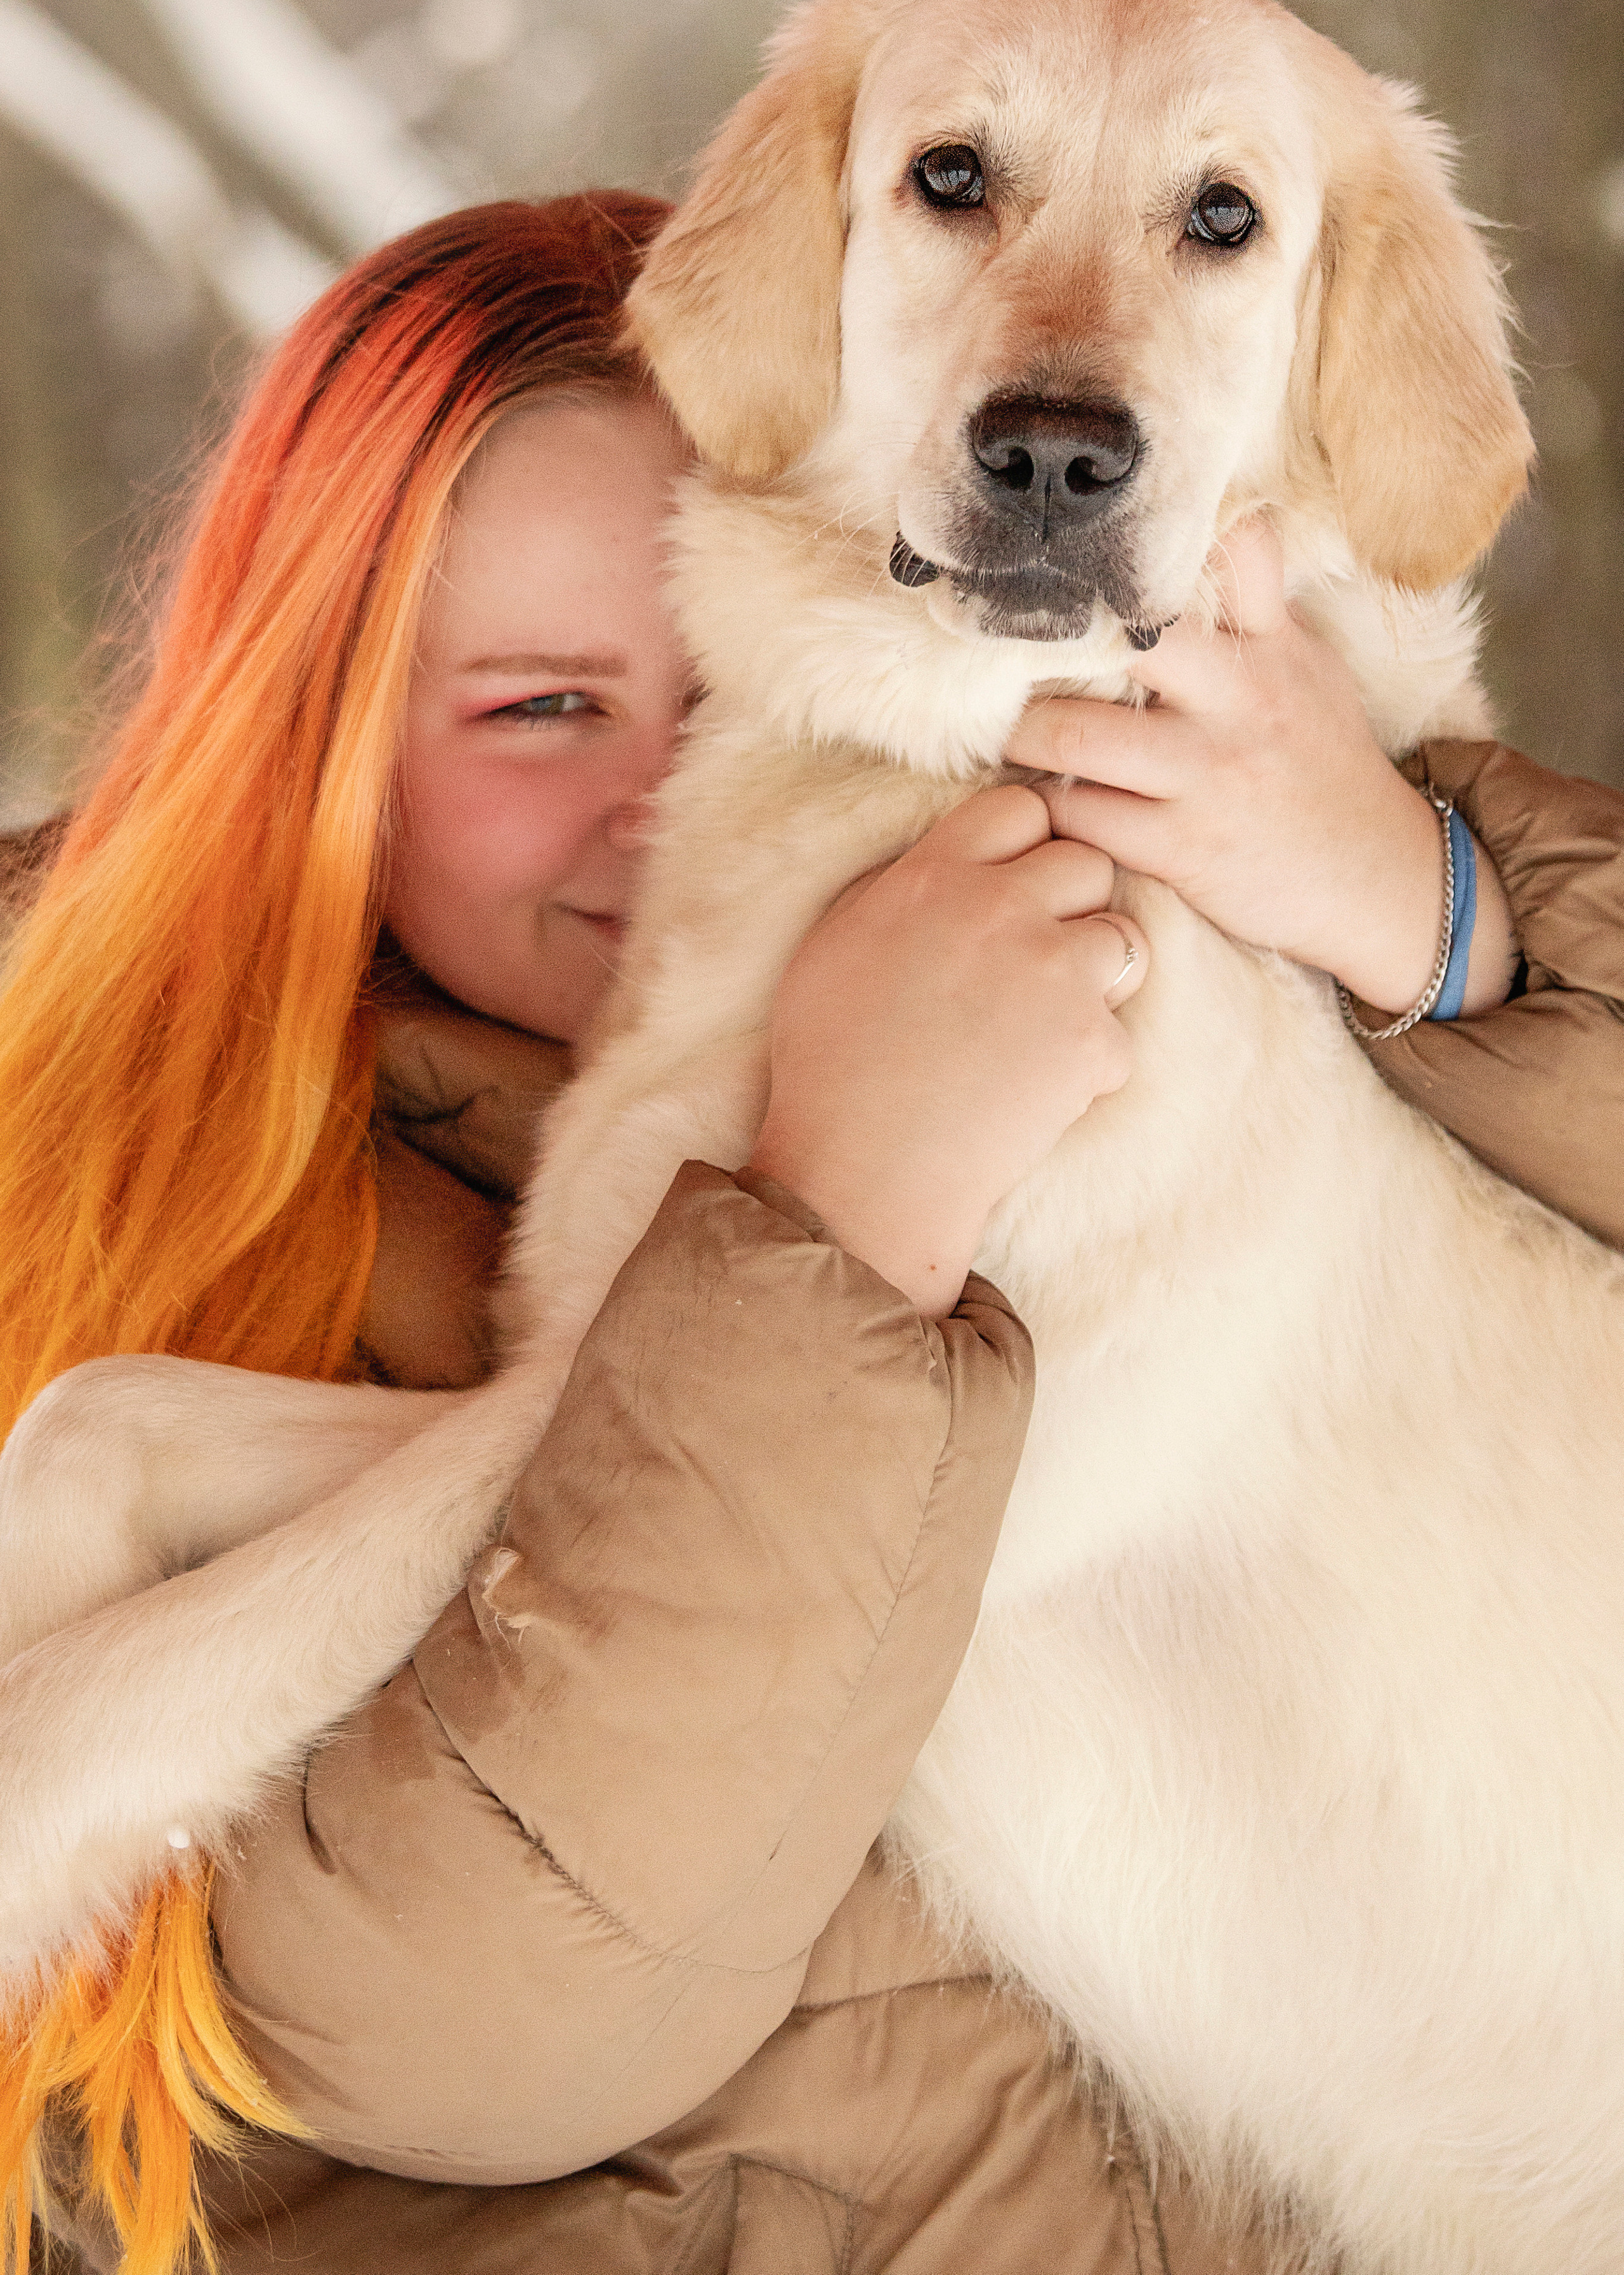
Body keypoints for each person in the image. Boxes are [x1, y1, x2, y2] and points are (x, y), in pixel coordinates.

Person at [0, 192, 1620, 2275]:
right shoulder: (135, 1192)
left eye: (753, 689)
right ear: (319, 741)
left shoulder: (1073, 916)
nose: (678, 805)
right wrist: (835, 1224)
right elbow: (468, 2015)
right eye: (538, 711)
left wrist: (1434, 909)